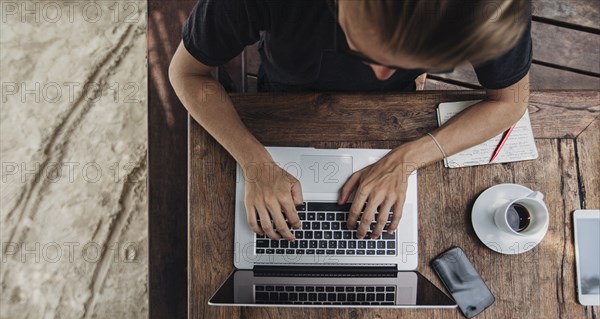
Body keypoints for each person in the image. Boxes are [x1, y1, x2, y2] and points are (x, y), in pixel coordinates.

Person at [169, 0, 532, 242]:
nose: (380, 73)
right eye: (367, 48)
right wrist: (255, 162)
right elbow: (187, 75)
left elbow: (510, 101)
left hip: (395, 112)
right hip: (279, 94)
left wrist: (405, 160)